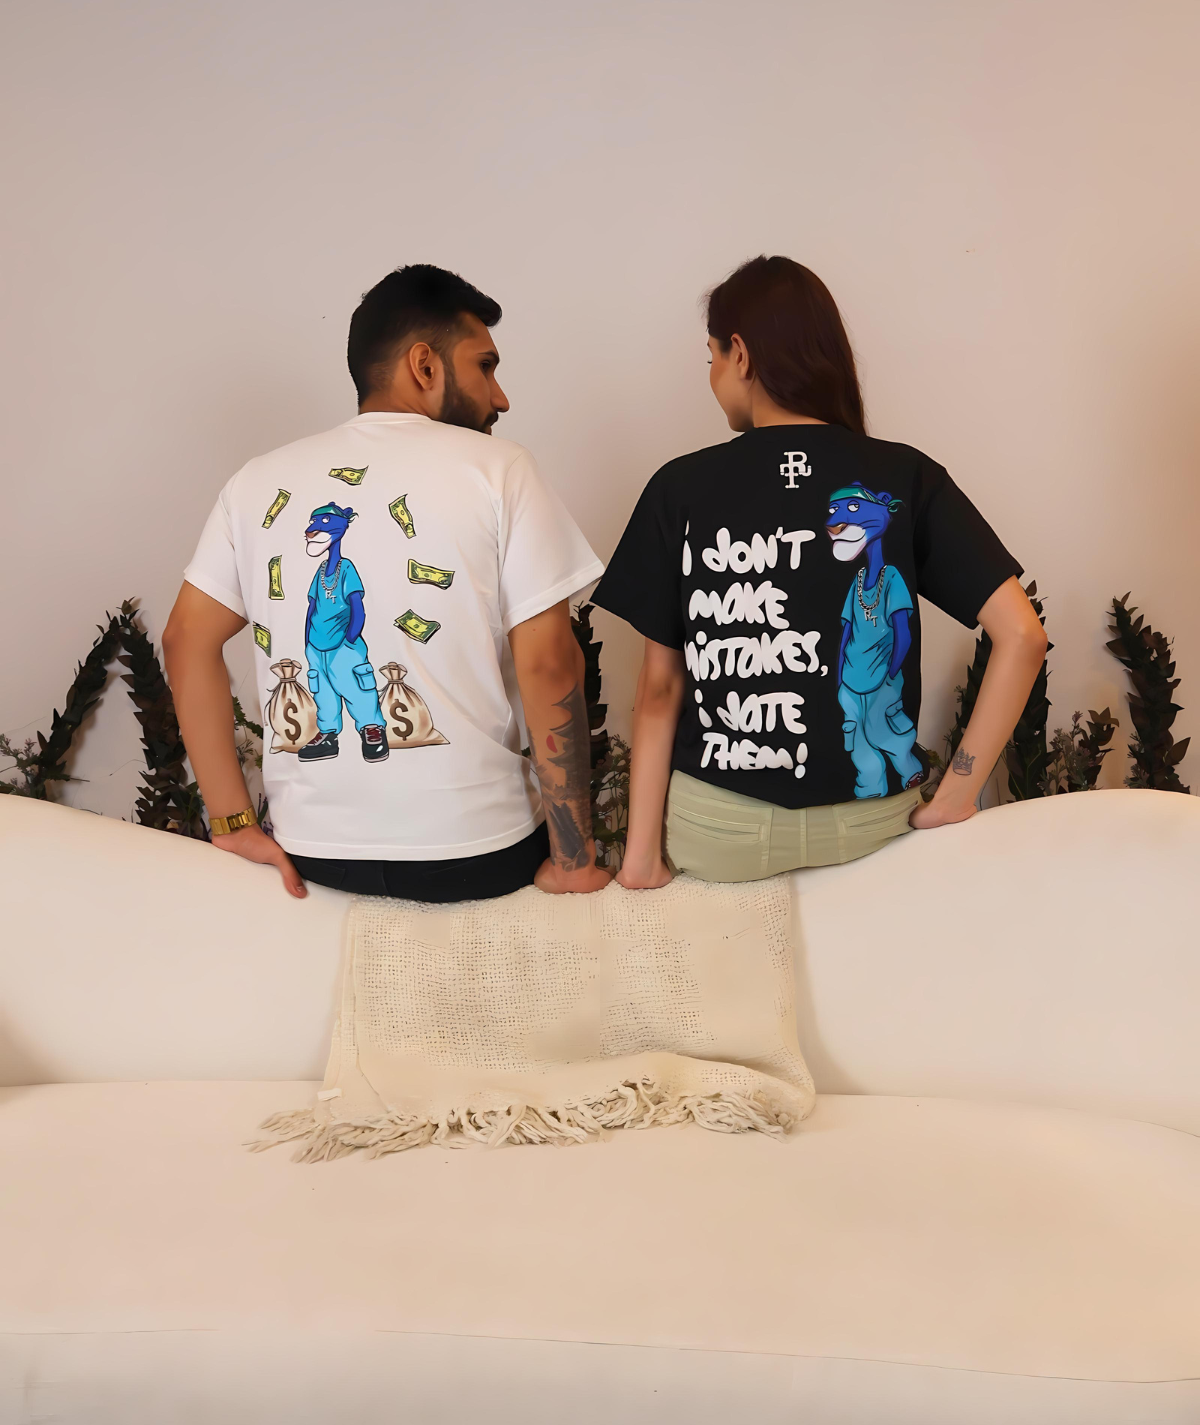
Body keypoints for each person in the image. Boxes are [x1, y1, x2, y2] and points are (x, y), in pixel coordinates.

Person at [591, 255, 1047, 889]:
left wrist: (640, 859)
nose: (712, 374)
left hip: (720, 830)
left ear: (740, 355)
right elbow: (1022, 635)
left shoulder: (679, 488)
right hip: (870, 829)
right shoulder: (906, 475)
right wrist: (958, 794)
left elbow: (660, 689)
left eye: (711, 356)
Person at [163, 264, 610, 901]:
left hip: (314, 856)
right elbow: (549, 665)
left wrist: (234, 823)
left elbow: (185, 640)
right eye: (485, 366)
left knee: (352, 686)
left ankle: (362, 730)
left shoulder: (255, 481)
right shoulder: (501, 469)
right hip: (478, 852)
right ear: (424, 366)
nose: (501, 397)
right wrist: (573, 862)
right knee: (335, 687)